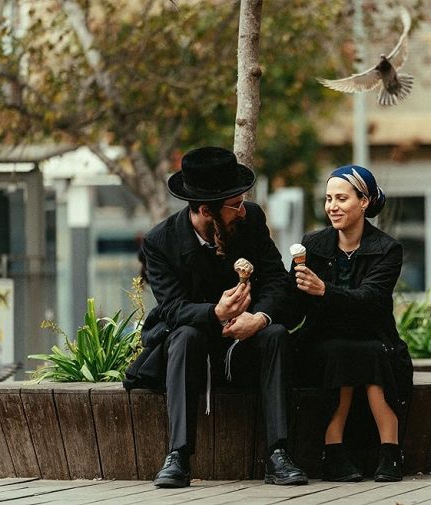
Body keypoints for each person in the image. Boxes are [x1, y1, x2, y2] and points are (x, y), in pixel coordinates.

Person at [124, 146, 307, 488]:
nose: (243, 210)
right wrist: (215, 313)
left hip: (246, 347)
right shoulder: (160, 242)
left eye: (242, 201)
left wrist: (259, 318)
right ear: (206, 210)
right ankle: (178, 455)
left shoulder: (250, 220)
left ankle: (278, 454)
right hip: (196, 351)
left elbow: (276, 280)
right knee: (183, 335)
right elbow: (172, 308)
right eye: (234, 204)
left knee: (276, 334)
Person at [290, 165, 413, 483]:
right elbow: (295, 305)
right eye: (328, 198)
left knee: (372, 353)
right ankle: (333, 453)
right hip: (323, 340)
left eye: (341, 199)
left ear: (364, 202)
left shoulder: (387, 249)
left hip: (373, 336)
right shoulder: (312, 245)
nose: (332, 206)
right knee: (341, 353)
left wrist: (324, 290)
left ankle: (390, 453)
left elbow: (370, 299)